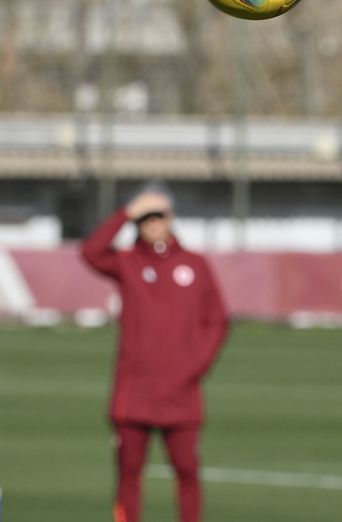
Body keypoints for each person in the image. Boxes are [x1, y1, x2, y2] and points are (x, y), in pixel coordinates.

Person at [80, 188, 230, 522]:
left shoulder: (195, 265)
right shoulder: (127, 262)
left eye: (158, 217)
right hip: (134, 393)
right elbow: (91, 252)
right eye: (146, 219)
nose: (153, 225)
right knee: (128, 475)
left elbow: (218, 320)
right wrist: (126, 211)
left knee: (187, 471)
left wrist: (197, 364)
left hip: (181, 392)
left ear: (170, 220)